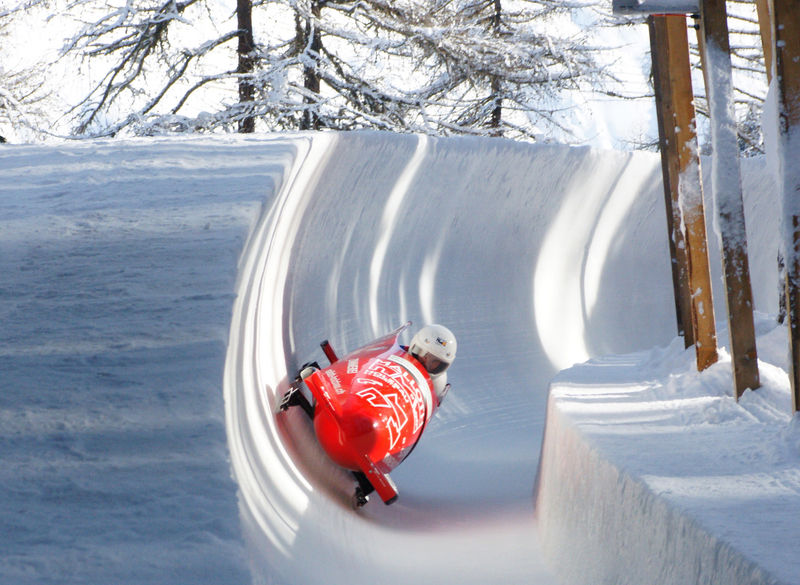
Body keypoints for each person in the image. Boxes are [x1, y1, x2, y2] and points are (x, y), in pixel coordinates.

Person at [407, 324, 457, 405]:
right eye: (424, 355)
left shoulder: (437, 387)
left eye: (434, 362)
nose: (425, 363)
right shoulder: (395, 353)